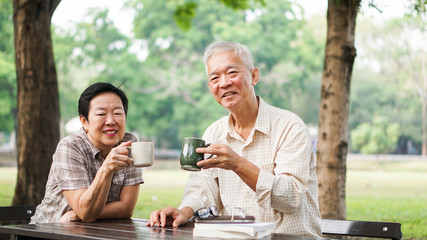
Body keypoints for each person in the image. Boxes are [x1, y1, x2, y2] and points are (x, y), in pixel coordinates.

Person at [147, 41, 322, 237]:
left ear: (254, 76)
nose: (224, 83)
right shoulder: (214, 133)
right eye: (215, 78)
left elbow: (290, 197)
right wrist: (184, 211)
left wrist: (238, 164)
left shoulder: (289, 127)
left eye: (232, 73)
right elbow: (203, 190)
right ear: (210, 86)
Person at [31, 82, 144, 224]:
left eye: (117, 113)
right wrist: (106, 169)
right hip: (49, 232)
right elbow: (86, 212)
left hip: (95, 232)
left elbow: (126, 208)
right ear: (84, 122)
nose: (110, 121)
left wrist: (78, 215)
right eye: (101, 114)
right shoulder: (70, 147)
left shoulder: (129, 143)